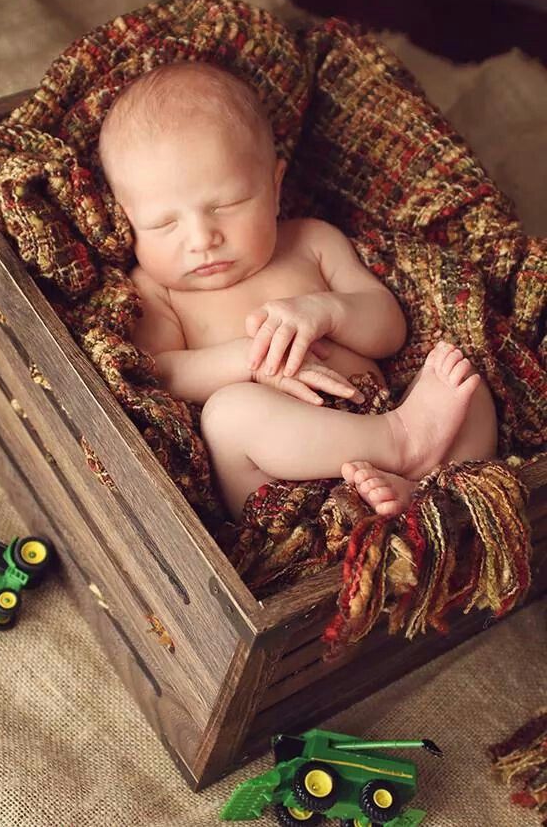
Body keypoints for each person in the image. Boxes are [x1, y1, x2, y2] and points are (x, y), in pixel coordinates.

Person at [98, 60, 498, 523]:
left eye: (225, 205)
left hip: (372, 411)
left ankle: (428, 490)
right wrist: (252, 360)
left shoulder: (311, 243)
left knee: (463, 382)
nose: (201, 238)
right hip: (278, 483)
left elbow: (389, 330)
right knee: (228, 414)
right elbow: (159, 374)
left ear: (274, 185)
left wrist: (327, 311)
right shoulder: (154, 291)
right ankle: (400, 440)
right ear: (128, 219)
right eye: (163, 223)